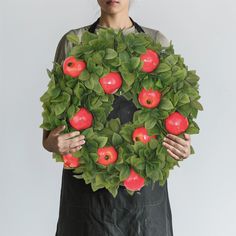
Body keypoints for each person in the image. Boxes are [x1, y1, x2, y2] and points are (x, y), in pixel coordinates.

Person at [42, 0, 192, 235]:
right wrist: (51, 142)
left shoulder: (155, 42)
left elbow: (172, 112)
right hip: (87, 189)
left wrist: (180, 146)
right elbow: (54, 122)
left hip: (143, 187)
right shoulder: (75, 41)